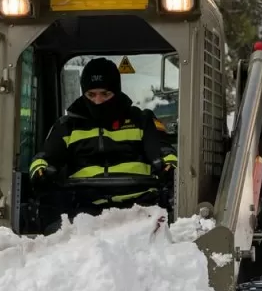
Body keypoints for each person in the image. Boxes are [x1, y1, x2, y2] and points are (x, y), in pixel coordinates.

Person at [29, 58, 177, 232]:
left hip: (140, 208)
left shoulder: (142, 120)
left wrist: (168, 162)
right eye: (91, 95)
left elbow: (162, 150)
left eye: (105, 94)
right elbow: (46, 158)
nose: (98, 101)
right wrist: (41, 170)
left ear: (117, 92)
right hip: (83, 212)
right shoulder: (66, 127)